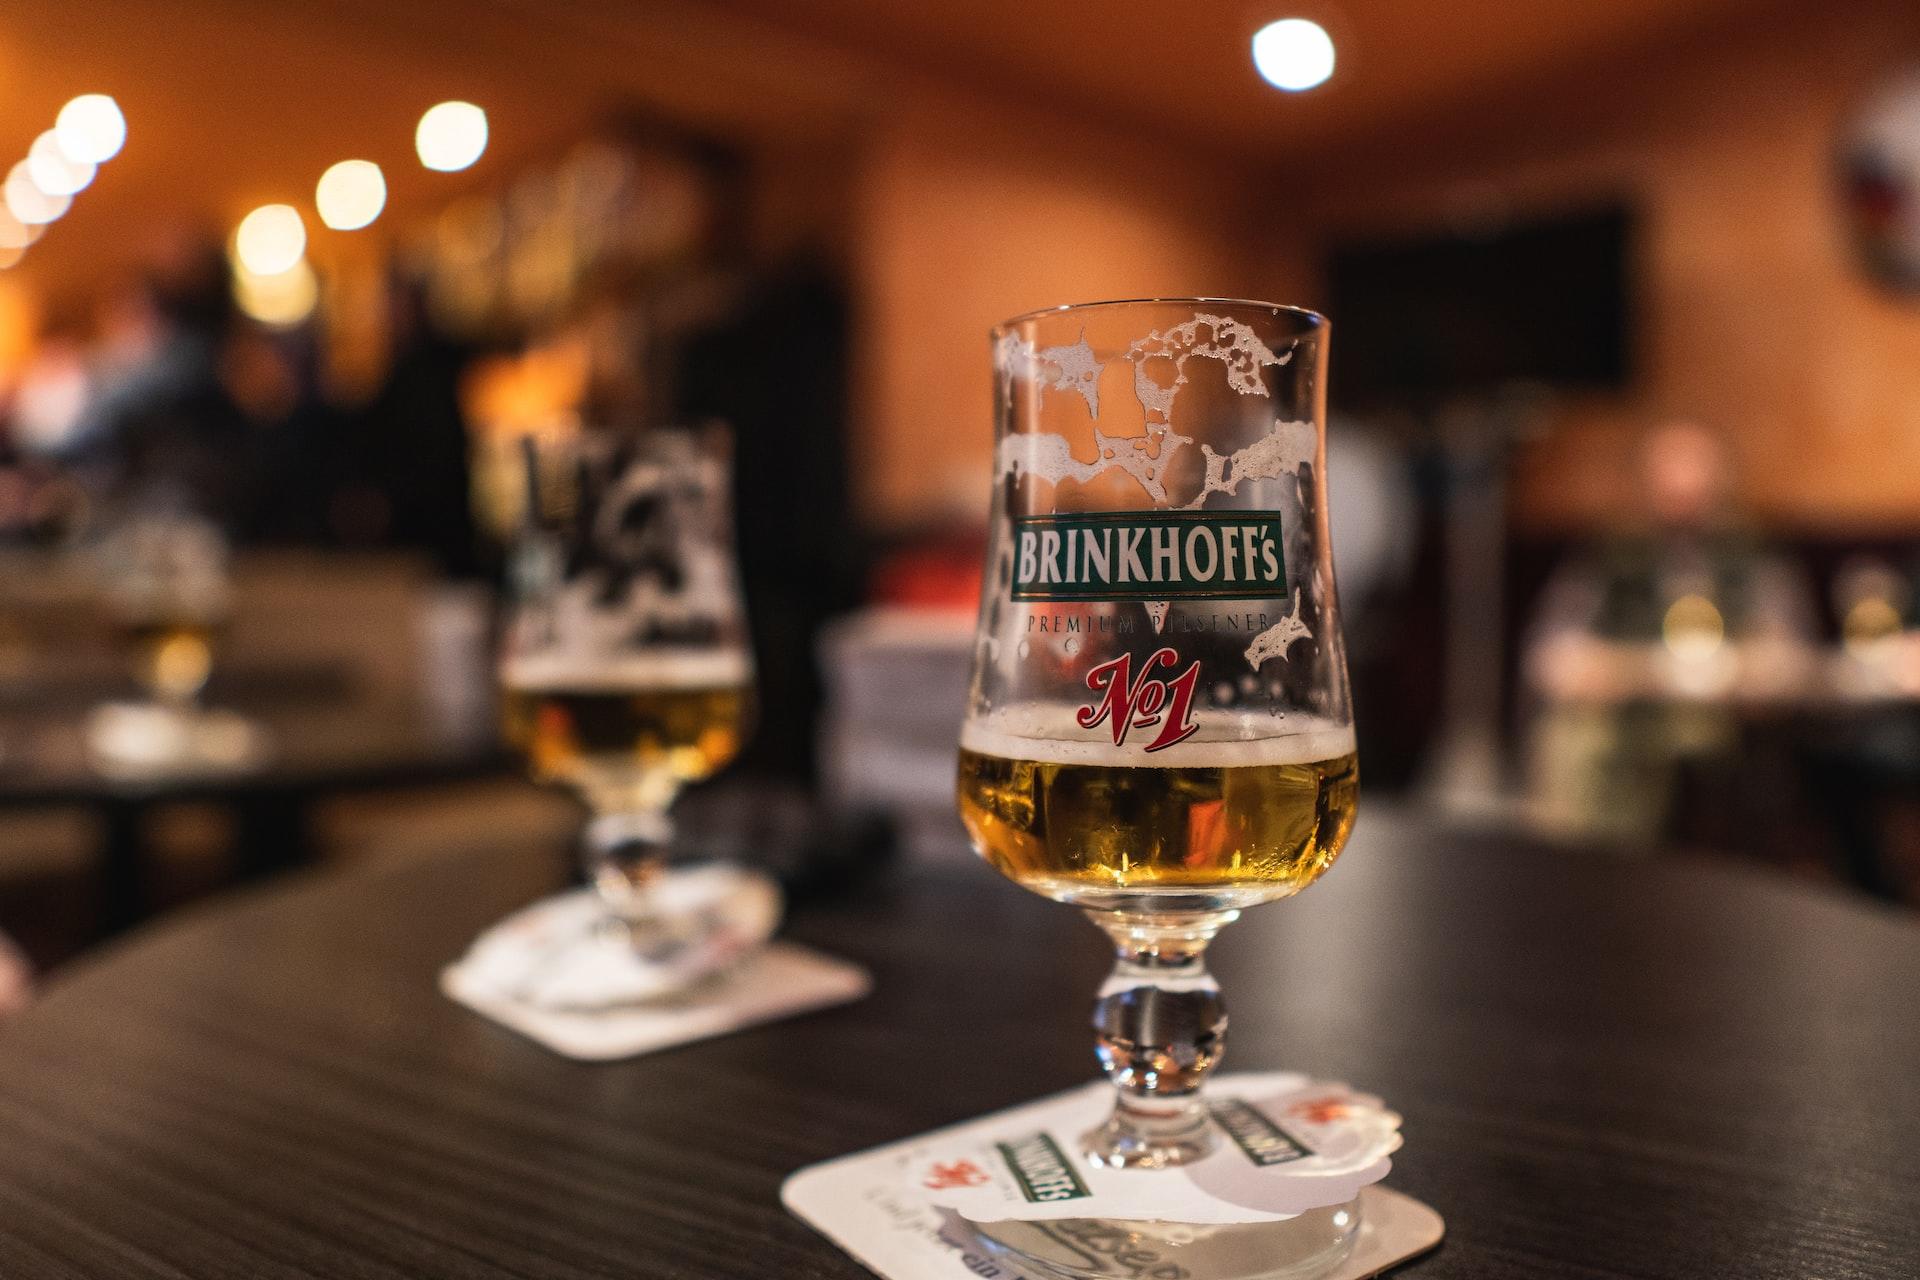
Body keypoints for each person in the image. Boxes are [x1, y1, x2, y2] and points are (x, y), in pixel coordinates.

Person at [1521, 421, 1816, 842]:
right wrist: (1626, 669)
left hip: (1727, 721)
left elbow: (1791, 653)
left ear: (1721, 477)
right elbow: (1552, 652)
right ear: (1646, 478)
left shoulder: (1754, 554)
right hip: (1629, 713)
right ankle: (1583, 875)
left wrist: (1749, 667)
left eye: (1694, 467)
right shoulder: (1610, 554)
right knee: (1571, 739)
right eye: (1669, 468)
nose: (1682, 482)